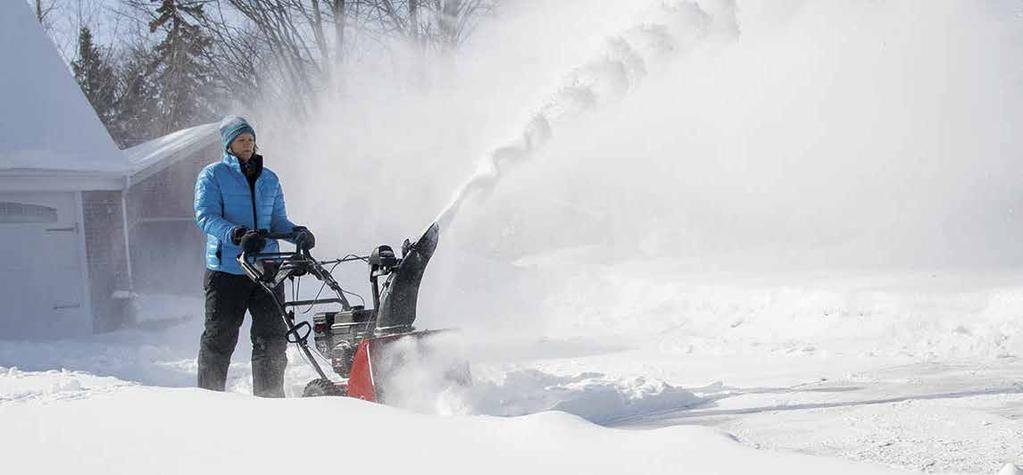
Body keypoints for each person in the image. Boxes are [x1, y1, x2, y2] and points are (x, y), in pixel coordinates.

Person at [193, 115, 316, 397]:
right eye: (241, 141)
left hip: (267, 269)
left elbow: (277, 221)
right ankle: (208, 401)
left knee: (271, 338)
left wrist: (297, 233)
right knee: (219, 338)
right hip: (227, 270)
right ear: (229, 146)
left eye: (250, 140)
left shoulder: (269, 179)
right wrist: (237, 234)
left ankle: (270, 399)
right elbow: (206, 217)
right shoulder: (212, 176)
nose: (248, 145)